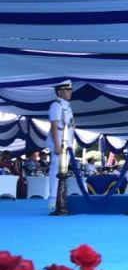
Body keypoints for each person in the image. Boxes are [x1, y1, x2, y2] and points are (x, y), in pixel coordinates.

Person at [46, 80, 76, 212]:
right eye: (67, 90)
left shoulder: (66, 106)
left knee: (63, 172)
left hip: (66, 144)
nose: (70, 92)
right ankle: (53, 200)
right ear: (60, 92)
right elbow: (54, 126)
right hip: (59, 145)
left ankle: (61, 198)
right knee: (56, 172)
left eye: (70, 90)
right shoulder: (56, 105)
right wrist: (57, 146)